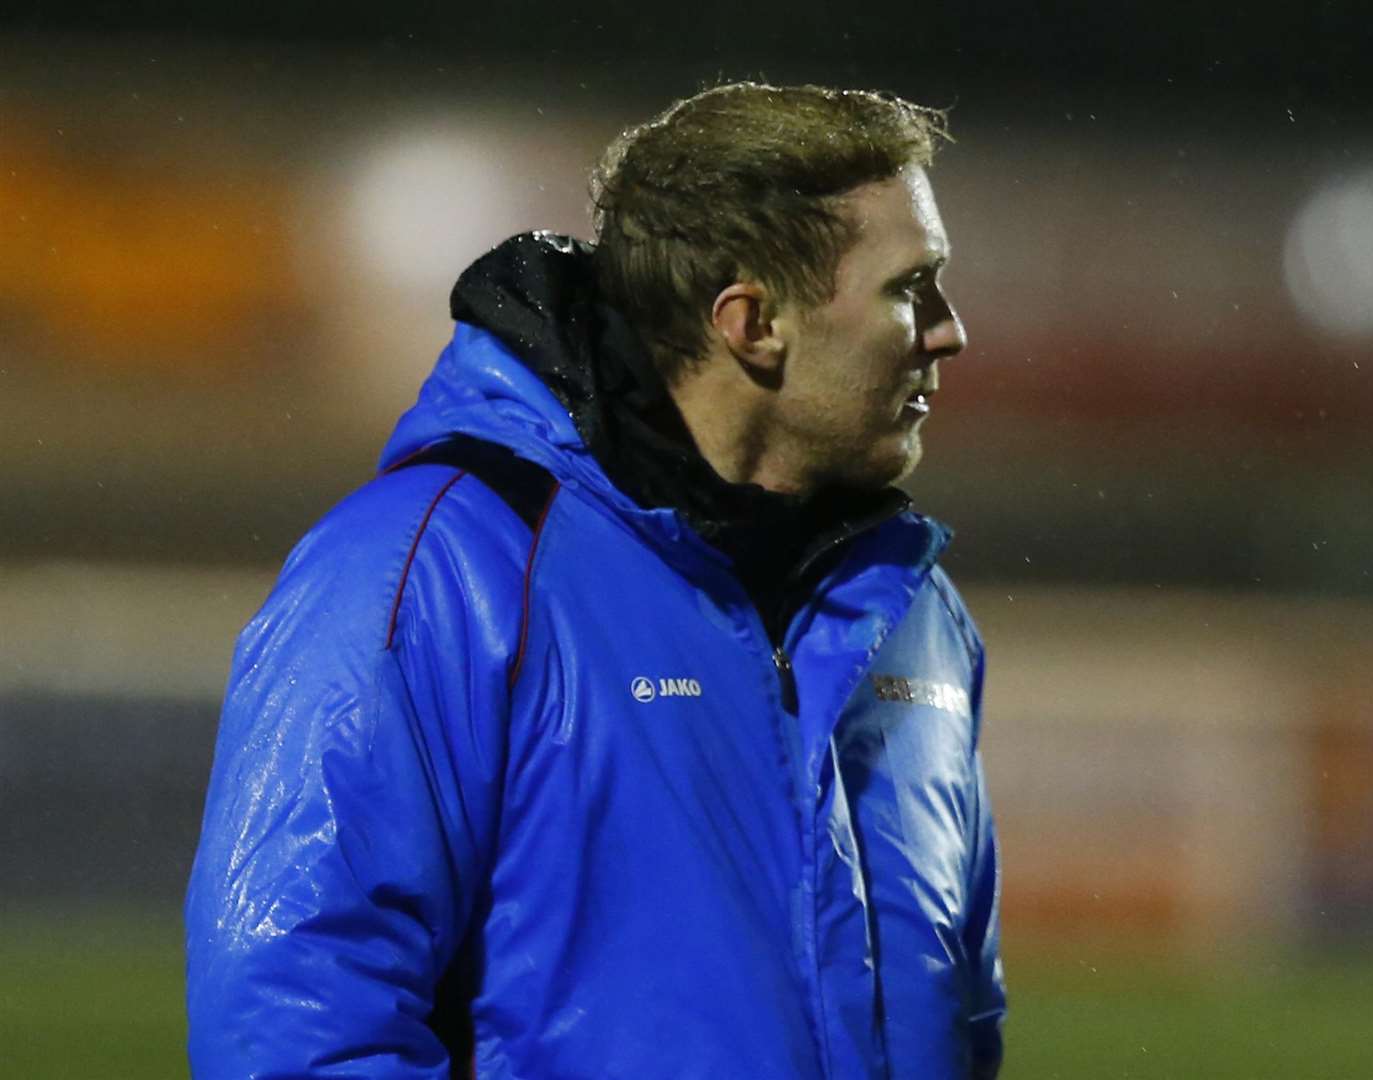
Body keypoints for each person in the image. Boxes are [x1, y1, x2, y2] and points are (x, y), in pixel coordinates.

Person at [186, 81, 1005, 1079]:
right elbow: (291, 1028)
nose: (948, 330)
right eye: (909, 287)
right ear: (751, 323)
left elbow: (962, 1014)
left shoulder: (911, 609)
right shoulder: (433, 569)